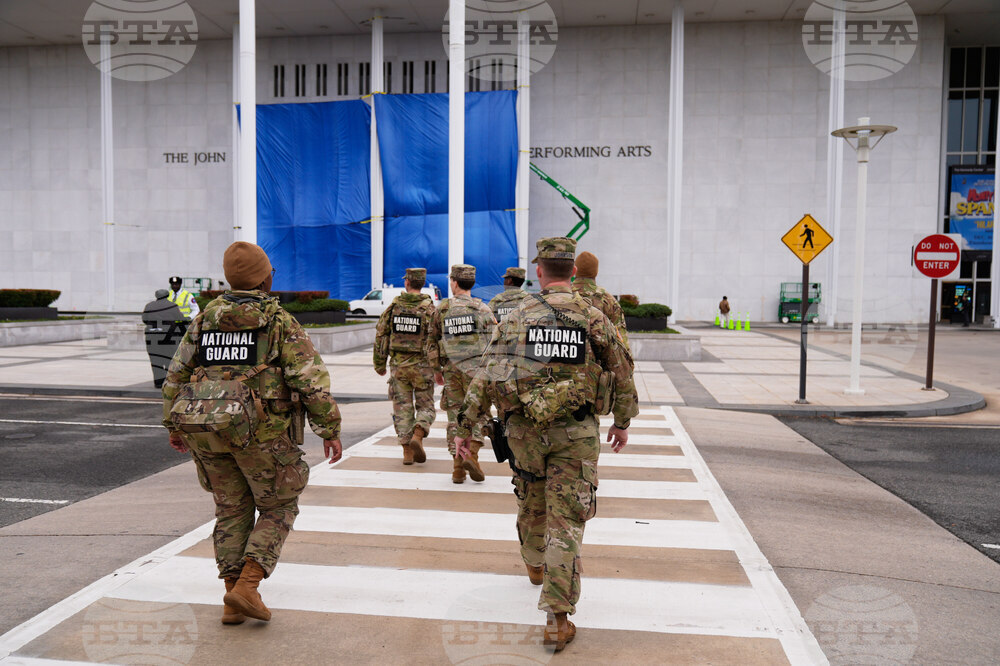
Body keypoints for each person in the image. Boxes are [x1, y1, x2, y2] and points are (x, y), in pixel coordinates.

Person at [454, 237, 638, 652]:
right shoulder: (593, 317)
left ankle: (535, 562)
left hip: (525, 434)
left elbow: (486, 374)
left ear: (539, 271)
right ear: (572, 271)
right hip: (575, 434)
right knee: (567, 521)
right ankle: (557, 618)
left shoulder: (518, 316)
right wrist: (623, 422)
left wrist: (467, 429)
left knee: (531, 502)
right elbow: (623, 371)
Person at [161, 241, 343, 624]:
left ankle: (231, 597)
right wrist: (328, 428)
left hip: (207, 431)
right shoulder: (278, 321)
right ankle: (248, 585)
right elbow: (309, 379)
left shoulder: (205, 319)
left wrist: (173, 425)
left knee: (231, 508)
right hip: (262, 434)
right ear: (264, 277)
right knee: (279, 504)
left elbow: (175, 375)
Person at [373, 267, 443, 465]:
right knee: (426, 405)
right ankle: (418, 435)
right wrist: (438, 367)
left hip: (398, 367)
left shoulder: (394, 308)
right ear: (422, 284)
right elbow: (438, 339)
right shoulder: (430, 309)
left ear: (407, 283)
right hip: (423, 367)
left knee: (402, 408)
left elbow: (381, 335)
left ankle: (407, 452)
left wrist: (379, 363)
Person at [437, 264, 497, 484]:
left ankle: (457, 468)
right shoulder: (483, 310)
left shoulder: (443, 309)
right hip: (477, 372)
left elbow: (432, 341)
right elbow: (495, 343)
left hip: (452, 370)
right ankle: (471, 453)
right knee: (479, 413)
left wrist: (436, 369)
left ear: (454, 282)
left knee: (455, 415)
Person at [572, 251, 629, 345]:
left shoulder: (563, 294)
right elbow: (622, 342)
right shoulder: (608, 299)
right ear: (596, 271)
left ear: (575, 270)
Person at [142, 289, 187, 389]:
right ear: (167, 295)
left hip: (152, 336)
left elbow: (144, 319)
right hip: (169, 336)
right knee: (169, 359)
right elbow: (181, 319)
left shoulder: (149, 306)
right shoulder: (172, 306)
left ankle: (158, 382)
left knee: (155, 360)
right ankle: (168, 381)